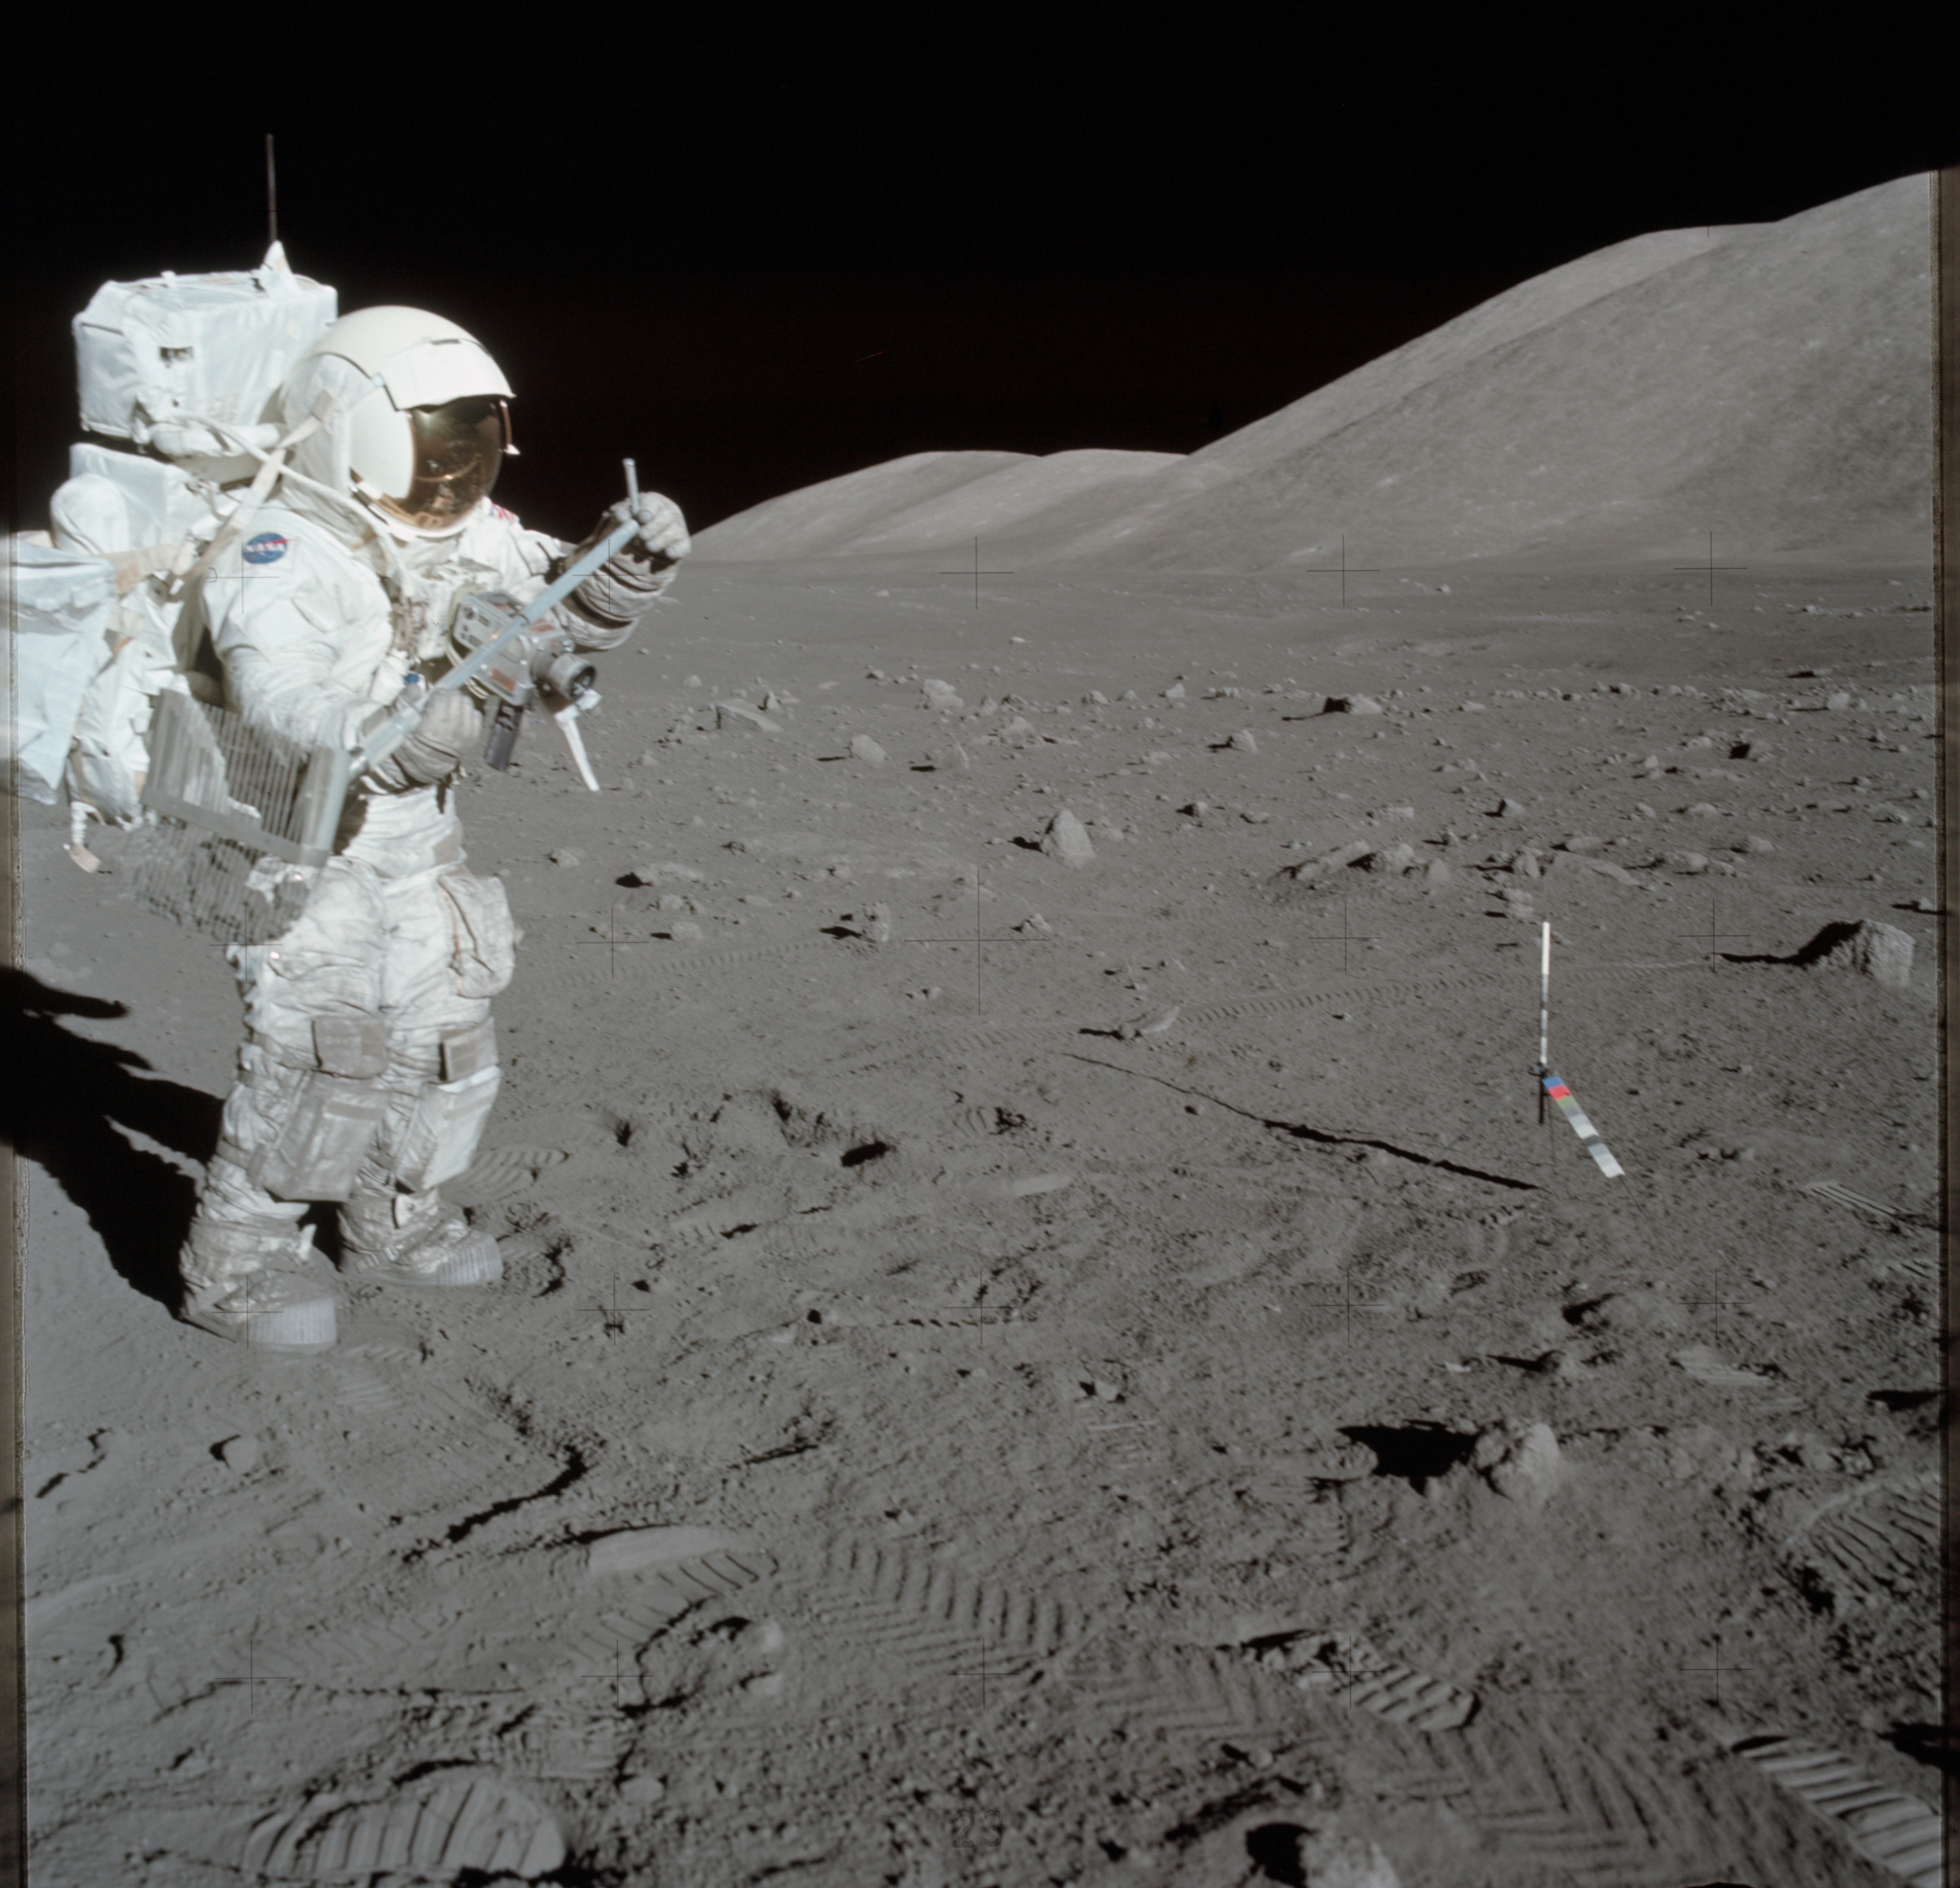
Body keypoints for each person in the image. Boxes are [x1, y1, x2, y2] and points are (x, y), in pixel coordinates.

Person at [175, 305, 688, 1352]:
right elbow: (281, 696)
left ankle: (397, 1225)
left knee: (446, 1047)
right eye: (435, 446)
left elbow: (558, 608)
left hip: (420, 842)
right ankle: (239, 1270)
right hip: (313, 842)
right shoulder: (280, 551)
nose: (455, 475)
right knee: (326, 1063)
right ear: (358, 437)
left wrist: (626, 558)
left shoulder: (472, 536)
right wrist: (385, 733)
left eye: (473, 445)